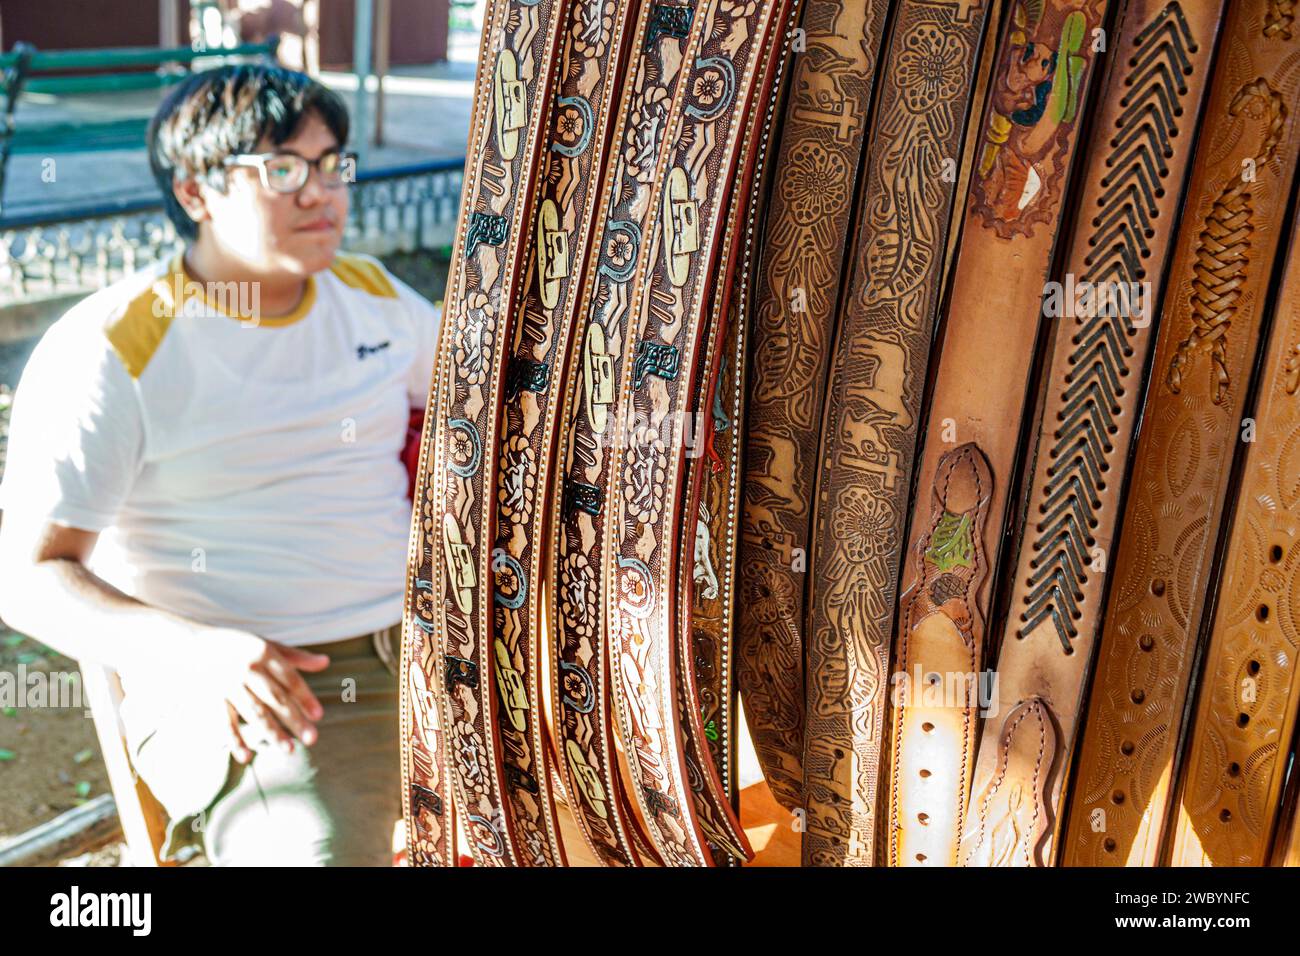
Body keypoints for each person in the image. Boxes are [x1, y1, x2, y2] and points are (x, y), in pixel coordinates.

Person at [0, 63, 442, 866]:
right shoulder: (116, 348)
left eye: (332, 163)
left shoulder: (372, 296)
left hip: (434, 644)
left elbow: (494, 406)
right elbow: (27, 577)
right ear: (196, 193)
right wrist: (192, 652)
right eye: (282, 169)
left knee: (614, 798)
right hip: (259, 681)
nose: (321, 192)